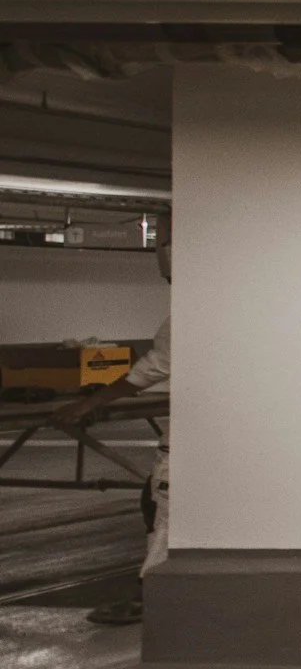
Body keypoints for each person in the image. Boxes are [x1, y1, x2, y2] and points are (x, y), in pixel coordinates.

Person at [54, 243, 170, 625]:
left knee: (162, 512)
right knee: (156, 507)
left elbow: (150, 370)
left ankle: (150, 596)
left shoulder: (191, 315)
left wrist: (89, 403)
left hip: (194, 442)